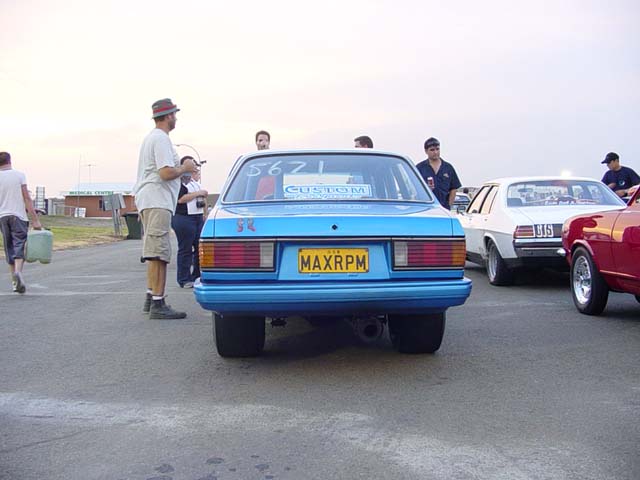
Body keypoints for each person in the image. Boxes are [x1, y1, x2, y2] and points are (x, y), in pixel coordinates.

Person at [133, 98, 197, 319]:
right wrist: (185, 167)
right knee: (158, 253)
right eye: (174, 114)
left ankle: (151, 297)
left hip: (152, 200)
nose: (176, 118)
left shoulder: (153, 138)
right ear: (169, 115)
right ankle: (158, 303)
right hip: (157, 200)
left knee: (154, 252)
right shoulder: (160, 139)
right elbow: (165, 172)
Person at [0, 151, 43, 293]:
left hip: (2, 217)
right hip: (18, 216)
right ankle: (18, 272)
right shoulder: (19, 175)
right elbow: (26, 198)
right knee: (19, 244)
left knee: (9, 247)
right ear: (10, 161)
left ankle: (14, 282)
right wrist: (35, 220)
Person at [171, 156, 208, 288]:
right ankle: (184, 278)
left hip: (197, 216)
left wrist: (204, 213)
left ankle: (197, 275)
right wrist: (198, 193)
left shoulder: (194, 182)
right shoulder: (179, 181)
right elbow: (180, 199)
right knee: (185, 248)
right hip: (184, 217)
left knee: (199, 248)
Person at [416, 137, 462, 210]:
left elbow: (454, 188)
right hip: (426, 208)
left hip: (444, 208)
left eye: (437, 149)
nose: (435, 152)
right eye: (432, 150)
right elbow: (415, 188)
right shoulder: (420, 168)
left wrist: (449, 205)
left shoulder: (448, 168)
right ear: (426, 151)